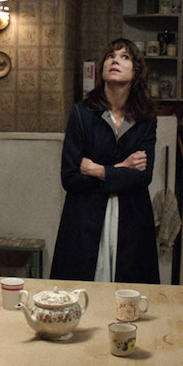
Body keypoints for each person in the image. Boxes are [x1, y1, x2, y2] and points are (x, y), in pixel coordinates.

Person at [50, 38, 159, 284]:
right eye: (110, 56)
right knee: (80, 291)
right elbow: (70, 177)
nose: (115, 61)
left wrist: (97, 170)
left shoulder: (145, 118)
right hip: (85, 218)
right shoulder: (82, 113)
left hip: (132, 220)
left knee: (130, 294)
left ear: (136, 71)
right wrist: (122, 168)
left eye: (124, 57)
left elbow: (143, 176)